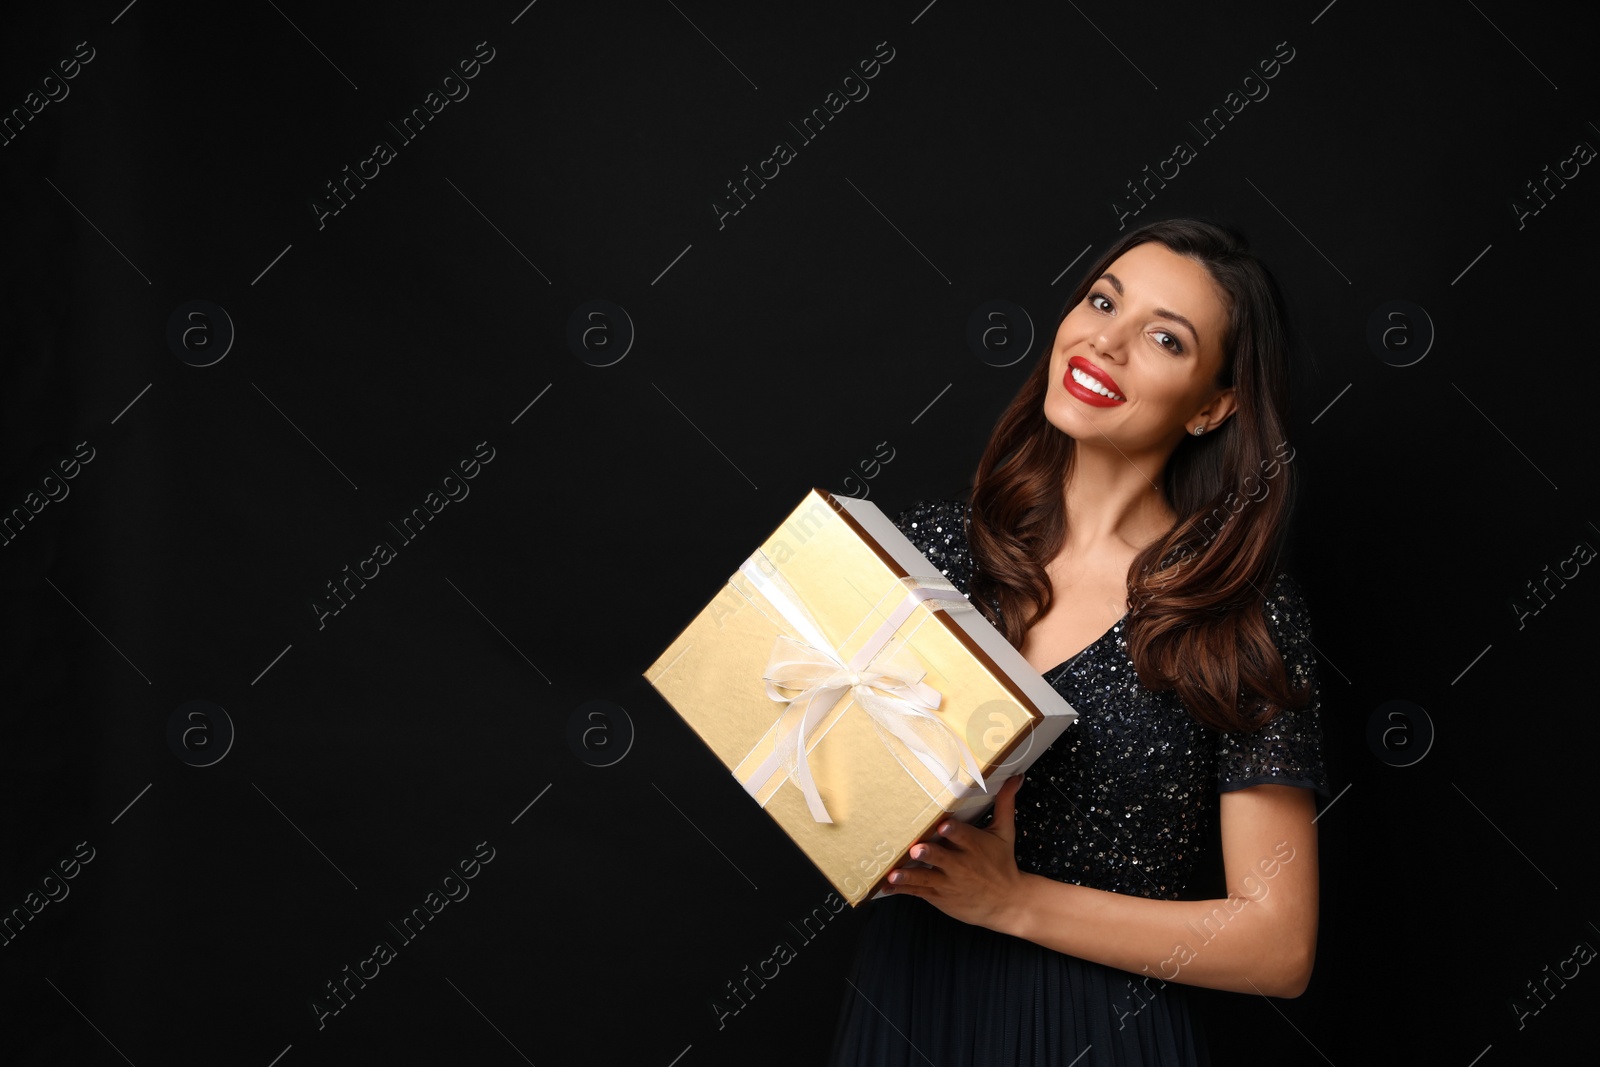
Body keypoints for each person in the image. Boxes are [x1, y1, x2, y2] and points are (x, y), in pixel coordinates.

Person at [827, 217, 1330, 1066]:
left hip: (1100, 1032)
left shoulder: (1237, 612)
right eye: (1103, 300)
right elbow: (836, 796)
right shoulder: (932, 556)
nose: (1107, 340)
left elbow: (1279, 946)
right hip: (909, 1005)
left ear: (1214, 404)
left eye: (1165, 338)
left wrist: (1013, 901)